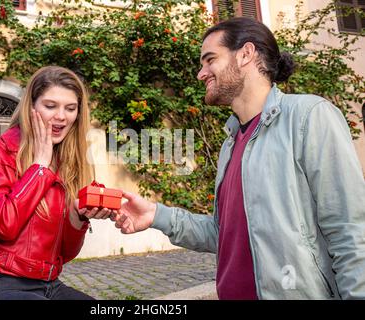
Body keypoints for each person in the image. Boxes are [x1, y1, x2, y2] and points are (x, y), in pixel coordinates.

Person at [111, 17, 365, 299]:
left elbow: (350, 232)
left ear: (246, 54)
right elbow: (224, 234)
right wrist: (157, 215)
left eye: (210, 60)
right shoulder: (231, 143)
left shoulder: (308, 116)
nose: (201, 73)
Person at [0, 66, 112, 300]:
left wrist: (77, 216)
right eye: (50, 106)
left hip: (48, 285)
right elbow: (4, 225)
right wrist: (40, 167)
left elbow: (65, 253)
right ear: (31, 108)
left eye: (70, 108)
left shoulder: (68, 165)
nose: (61, 116)